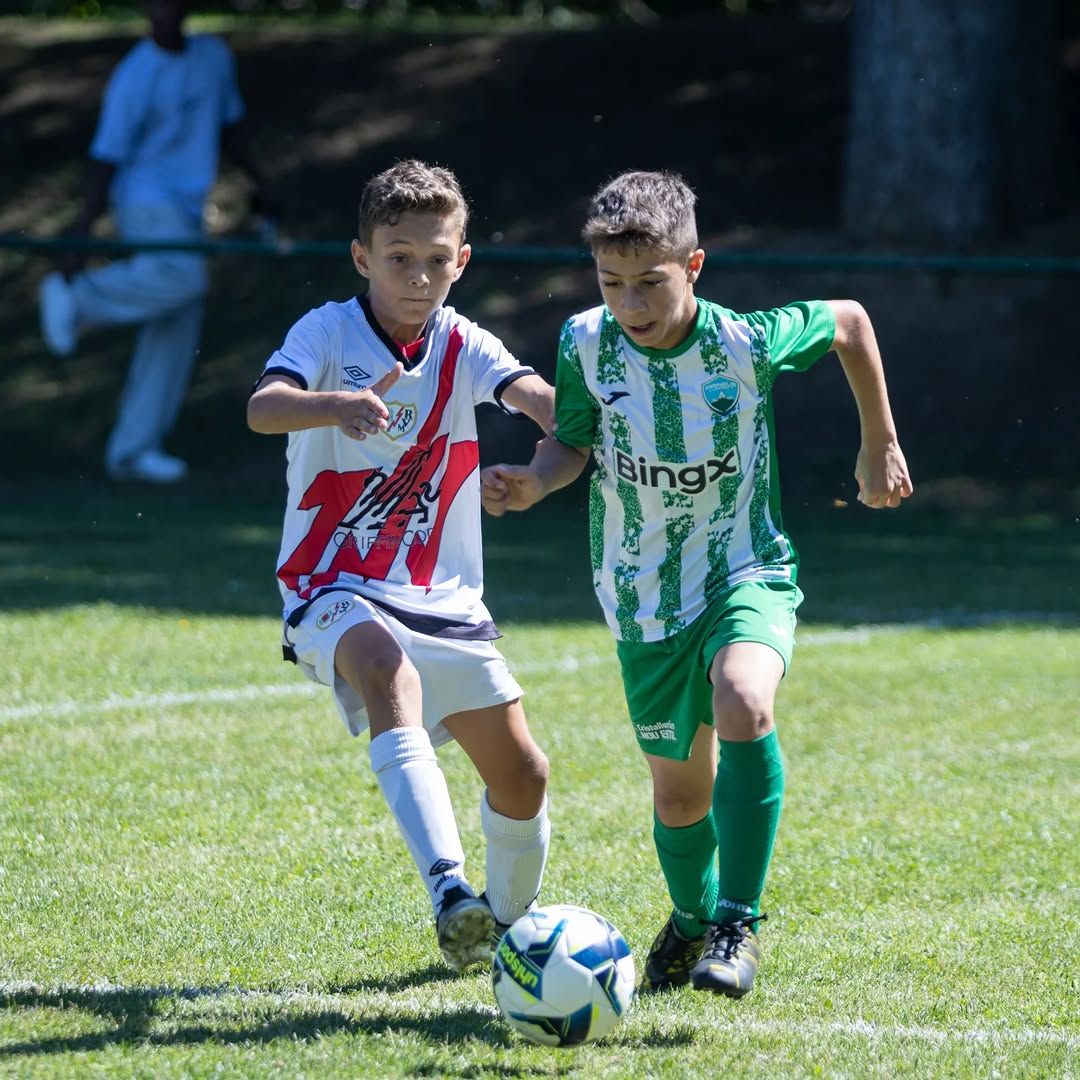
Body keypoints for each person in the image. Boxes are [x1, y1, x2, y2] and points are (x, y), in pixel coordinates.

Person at [481, 169, 913, 998]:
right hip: (641, 594)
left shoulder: (744, 343)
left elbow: (851, 323)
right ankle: (689, 918)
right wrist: (535, 481)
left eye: (651, 283)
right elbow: (571, 441)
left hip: (746, 564)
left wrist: (878, 442)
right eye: (612, 283)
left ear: (695, 267)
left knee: (745, 701)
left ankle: (737, 922)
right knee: (681, 799)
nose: (631, 303)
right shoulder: (583, 342)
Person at [247, 159, 553, 973]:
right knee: (385, 669)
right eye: (398, 258)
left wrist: (579, 434)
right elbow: (261, 407)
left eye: (437, 259)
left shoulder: (463, 342)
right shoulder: (326, 332)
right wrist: (335, 405)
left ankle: (502, 933)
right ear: (361, 257)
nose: (419, 278)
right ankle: (449, 887)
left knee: (523, 776)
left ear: (464, 261)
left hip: (441, 595)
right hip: (329, 581)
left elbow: (538, 399)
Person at [39, 0, 277, 484]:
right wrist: (78, 246)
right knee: (184, 278)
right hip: (144, 201)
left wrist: (261, 185)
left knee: (175, 327)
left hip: (189, 208)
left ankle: (134, 450)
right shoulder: (135, 75)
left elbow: (228, 129)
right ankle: (77, 297)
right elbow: (105, 160)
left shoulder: (212, 56)